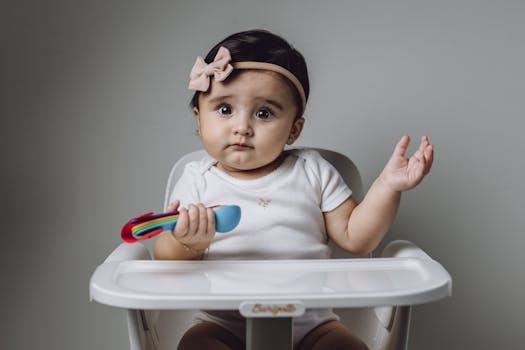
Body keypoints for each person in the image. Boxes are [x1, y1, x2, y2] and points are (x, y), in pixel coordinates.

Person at [154, 29, 433, 350]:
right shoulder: (197, 178)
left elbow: (357, 238)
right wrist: (186, 243)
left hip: (311, 324)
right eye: (225, 109)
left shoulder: (312, 170)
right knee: (196, 346)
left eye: (264, 113)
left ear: (294, 129)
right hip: (223, 323)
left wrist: (388, 186)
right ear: (199, 118)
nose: (241, 126)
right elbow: (165, 262)